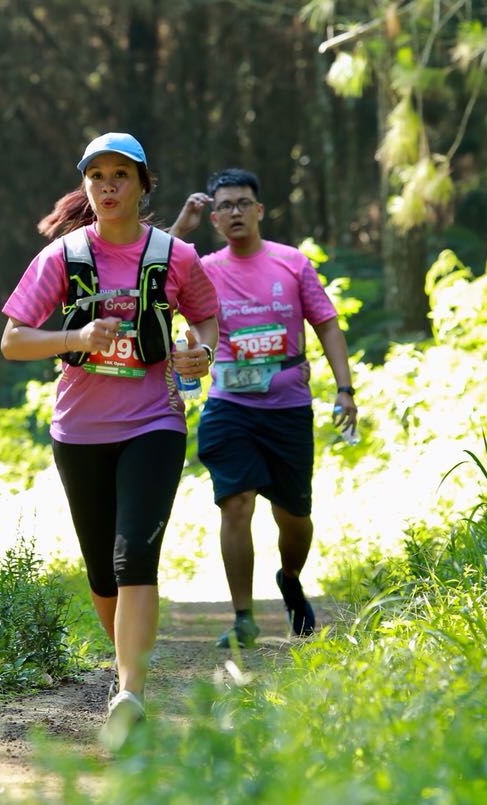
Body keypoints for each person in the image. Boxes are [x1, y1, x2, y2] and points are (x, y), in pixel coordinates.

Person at [1, 131, 219, 748]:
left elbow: (204, 316)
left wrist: (197, 352)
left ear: (144, 184)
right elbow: (14, 340)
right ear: (85, 187)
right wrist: (75, 339)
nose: (108, 186)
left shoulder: (174, 256)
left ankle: (130, 692)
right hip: (79, 432)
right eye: (97, 176)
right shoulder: (63, 257)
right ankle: (127, 669)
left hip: (154, 423)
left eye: (120, 174)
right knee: (102, 572)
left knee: (134, 559)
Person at [169, 168, 358, 649]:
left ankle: (290, 579)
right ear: (214, 217)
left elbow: (328, 325)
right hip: (229, 405)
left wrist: (345, 389)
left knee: (293, 518)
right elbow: (149, 280)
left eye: (242, 203)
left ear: (258, 210)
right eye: (224, 205)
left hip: (289, 407)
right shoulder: (204, 267)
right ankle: (243, 617)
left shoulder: (292, 263)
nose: (234, 212)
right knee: (236, 503)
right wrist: (180, 230)